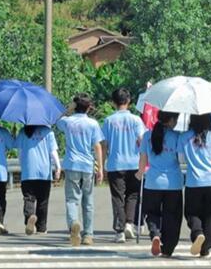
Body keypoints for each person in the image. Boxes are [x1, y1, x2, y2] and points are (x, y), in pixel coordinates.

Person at [177, 113, 211, 257]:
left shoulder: (184, 137)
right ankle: (205, 248)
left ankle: (197, 233)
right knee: (210, 216)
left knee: (191, 213)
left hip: (193, 183)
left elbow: (181, 159)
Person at [57, 93, 104, 246]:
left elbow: (56, 118)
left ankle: (74, 223)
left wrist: (68, 109)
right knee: (88, 201)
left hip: (72, 165)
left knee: (72, 199)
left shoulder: (68, 122)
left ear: (75, 106)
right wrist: (100, 169)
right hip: (87, 165)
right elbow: (97, 146)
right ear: (89, 108)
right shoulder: (93, 124)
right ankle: (88, 235)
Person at [102, 88, 146, 243]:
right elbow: (142, 141)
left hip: (115, 164)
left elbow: (104, 144)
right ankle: (129, 223)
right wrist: (144, 161)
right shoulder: (136, 120)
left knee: (117, 197)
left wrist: (102, 165)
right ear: (129, 101)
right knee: (133, 195)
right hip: (134, 163)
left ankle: (119, 230)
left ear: (113, 102)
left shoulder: (108, 121)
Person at [136, 111, 182, 257]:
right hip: (173, 183)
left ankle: (155, 234)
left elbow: (143, 158)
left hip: (152, 182)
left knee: (152, 213)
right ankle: (168, 248)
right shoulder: (176, 136)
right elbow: (181, 159)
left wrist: (139, 172)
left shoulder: (147, 136)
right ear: (171, 120)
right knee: (172, 216)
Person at [15, 125, 61, 235]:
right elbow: (53, 152)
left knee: (29, 198)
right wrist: (58, 167)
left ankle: (30, 216)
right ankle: (41, 227)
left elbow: (20, 153)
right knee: (43, 201)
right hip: (44, 172)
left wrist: (23, 165)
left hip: (28, 171)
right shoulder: (48, 132)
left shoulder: (23, 131)